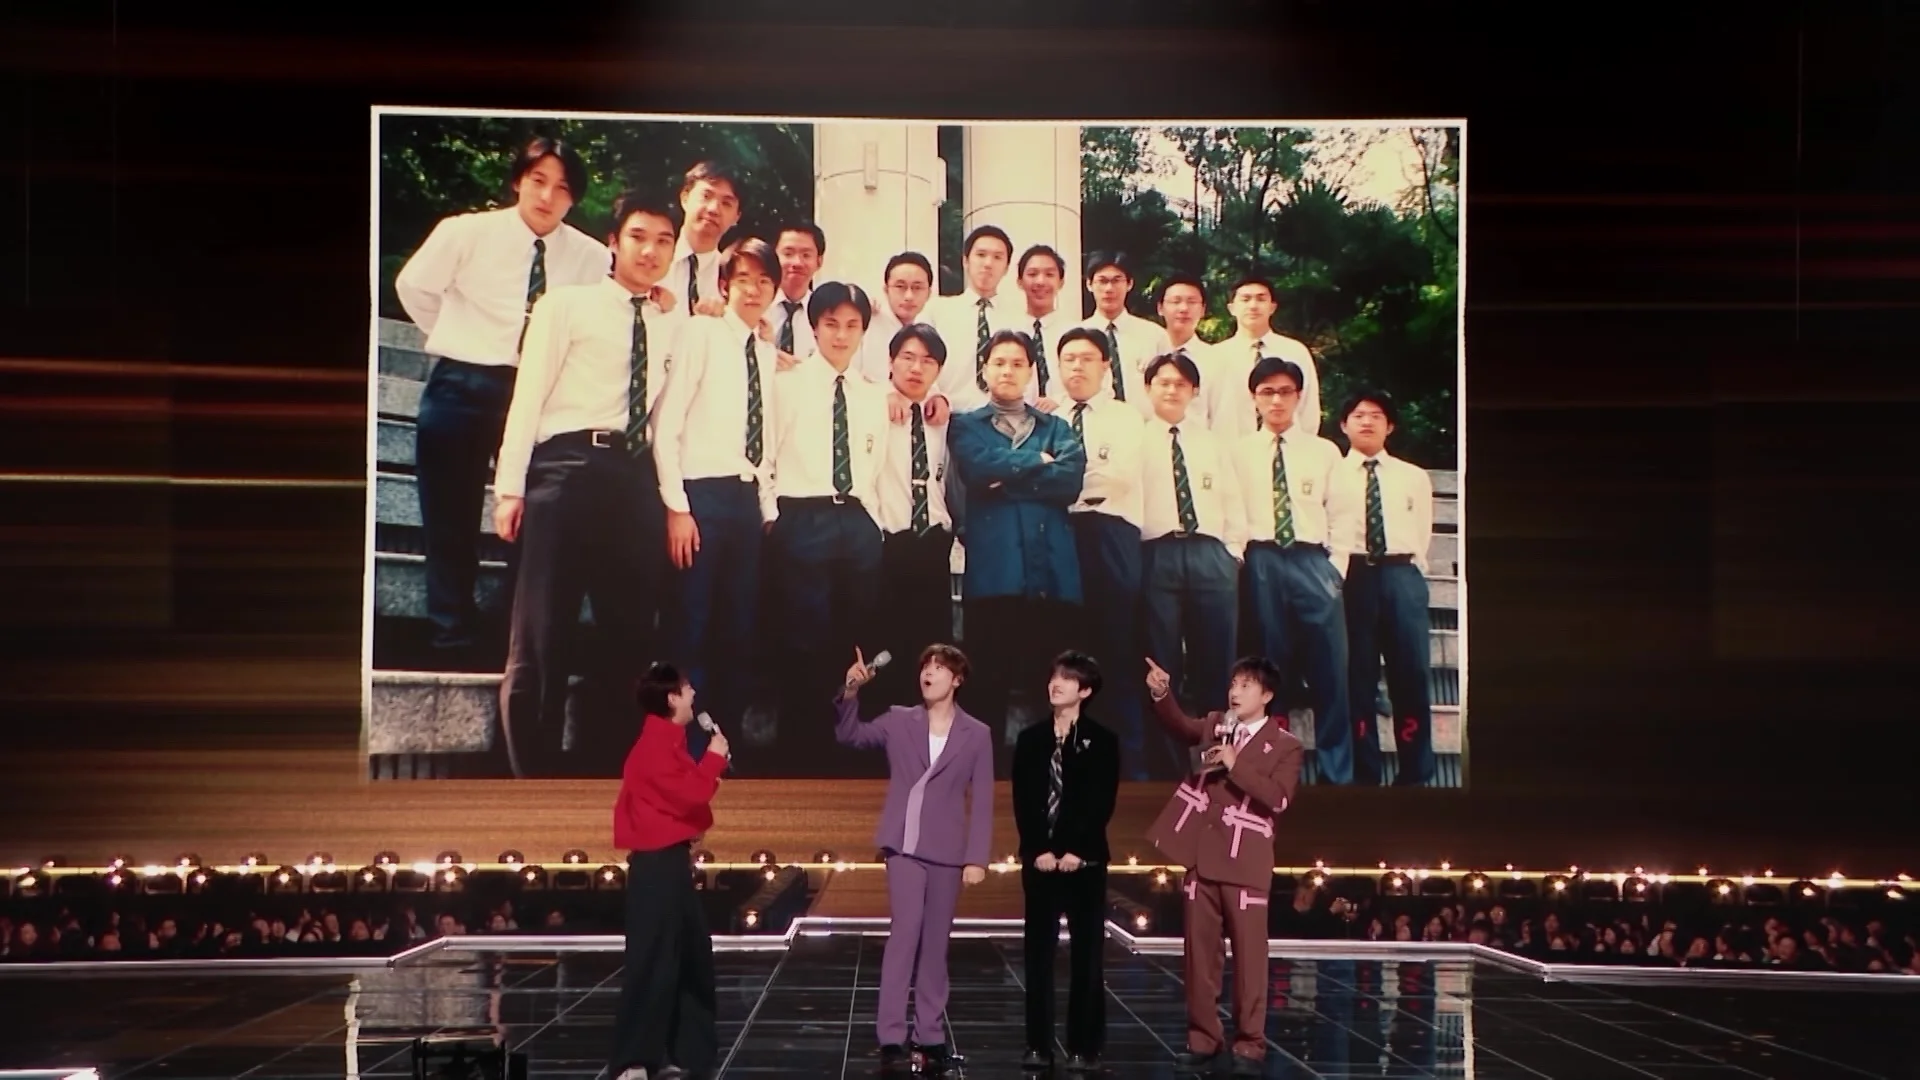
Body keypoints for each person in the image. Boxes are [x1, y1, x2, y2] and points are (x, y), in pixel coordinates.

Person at [393, 135, 607, 664]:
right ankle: (451, 636)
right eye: (538, 181)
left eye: (562, 188)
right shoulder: (466, 232)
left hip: (538, 394)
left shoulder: (591, 257)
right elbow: (413, 287)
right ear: (517, 181)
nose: (547, 196)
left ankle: (509, 636)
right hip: (462, 385)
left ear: (574, 198)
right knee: (451, 517)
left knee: (536, 519)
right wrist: (459, 337)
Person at [492, 191, 685, 778]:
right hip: (566, 470)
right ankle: (533, 781)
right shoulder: (565, 305)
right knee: (542, 636)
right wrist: (509, 487)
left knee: (629, 638)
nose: (650, 251)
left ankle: (609, 774)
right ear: (613, 241)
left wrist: (670, 502)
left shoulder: (670, 322)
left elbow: (666, 417)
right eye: (638, 237)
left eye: (664, 241)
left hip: (634, 481)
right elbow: (528, 395)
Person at [836, 644, 994, 1074]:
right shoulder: (898, 720)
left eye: (939, 668)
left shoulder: (977, 733)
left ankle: (930, 1035)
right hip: (903, 846)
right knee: (905, 933)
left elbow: (982, 800)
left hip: (948, 851)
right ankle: (891, 1036)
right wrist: (850, 692)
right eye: (925, 666)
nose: (929, 673)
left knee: (936, 944)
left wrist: (977, 857)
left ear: (957, 680)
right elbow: (851, 736)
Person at [1143, 654, 1302, 1077]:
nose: (1235, 692)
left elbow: (1278, 798)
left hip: (1245, 863)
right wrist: (1162, 693)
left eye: (1246, 685)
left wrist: (1235, 763)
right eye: (1234, 683)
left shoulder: (1286, 745)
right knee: (1199, 958)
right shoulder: (1217, 723)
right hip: (1202, 859)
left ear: (1266, 695)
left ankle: (1249, 1044)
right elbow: (1181, 726)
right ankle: (1203, 1040)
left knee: (1250, 961)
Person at [652, 237, 782, 753]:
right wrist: (677, 507)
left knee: (738, 626)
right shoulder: (700, 333)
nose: (754, 290)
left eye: (764, 281)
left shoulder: (766, 351)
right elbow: (667, 424)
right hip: (700, 496)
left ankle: (721, 746)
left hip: (746, 503)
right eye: (743, 279)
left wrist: (767, 507)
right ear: (724, 284)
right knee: (692, 622)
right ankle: (676, 746)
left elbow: (764, 433)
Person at [763, 281, 889, 771]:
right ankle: (800, 752)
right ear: (814, 327)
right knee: (802, 636)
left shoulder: (873, 394)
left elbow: (875, 463)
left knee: (852, 636)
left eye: (852, 325)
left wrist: (871, 522)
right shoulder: (786, 383)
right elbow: (766, 451)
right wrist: (771, 514)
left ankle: (847, 748)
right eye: (831, 324)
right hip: (802, 515)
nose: (841, 335)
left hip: (856, 520)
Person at [946, 329, 1088, 754]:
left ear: (1031, 372)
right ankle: (982, 770)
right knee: (988, 679)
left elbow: (1069, 482)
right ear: (985, 370)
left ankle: (1050, 770)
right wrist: (1038, 461)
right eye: (999, 363)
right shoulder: (966, 426)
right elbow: (976, 469)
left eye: (1017, 363)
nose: (1007, 371)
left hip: (1052, 572)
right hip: (995, 573)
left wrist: (1005, 478)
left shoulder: (1056, 426)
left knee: (1052, 683)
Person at [1231, 357, 1362, 785]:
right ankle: (1270, 771)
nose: (1276, 400)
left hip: (1312, 561)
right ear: (1254, 398)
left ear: (1299, 397)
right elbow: (1230, 509)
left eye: (1285, 391)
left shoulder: (1323, 451)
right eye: (1267, 392)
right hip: (1261, 559)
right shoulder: (1238, 451)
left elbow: (1342, 510)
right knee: (1268, 666)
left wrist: (1336, 567)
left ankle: (1337, 775)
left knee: (1331, 668)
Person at [608, 662, 732, 1080]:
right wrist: (713, 758)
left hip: (673, 862)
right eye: (687, 687)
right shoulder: (653, 748)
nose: (694, 693)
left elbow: (685, 799)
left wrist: (711, 767)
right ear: (671, 698)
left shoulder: (670, 744)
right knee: (653, 960)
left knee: (691, 957)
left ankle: (688, 1052)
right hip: (656, 866)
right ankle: (633, 1060)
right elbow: (691, 792)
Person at [1012, 651, 1119, 1073]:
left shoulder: (1102, 740)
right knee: (1038, 957)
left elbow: (1100, 802)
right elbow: (1024, 801)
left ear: (1085, 690)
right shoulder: (1030, 739)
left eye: (1067, 679)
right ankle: (1037, 1045)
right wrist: (1038, 849)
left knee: (1087, 959)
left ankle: (1084, 1047)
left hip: (1084, 865)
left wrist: (1078, 850)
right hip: (1040, 863)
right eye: (1054, 677)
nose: (1056, 684)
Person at [1137, 352, 1246, 766]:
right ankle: (1167, 763)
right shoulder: (1137, 439)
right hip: (1157, 552)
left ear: (1194, 391)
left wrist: (1232, 552)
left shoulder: (1211, 442)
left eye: (1181, 384)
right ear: (1148, 388)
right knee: (1161, 662)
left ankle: (1215, 759)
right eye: (1163, 383)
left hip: (1210, 555)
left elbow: (1232, 498)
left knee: (1216, 660)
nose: (1171, 390)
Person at [1055, 327, 1151, 779]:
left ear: (1106, 366)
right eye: (1069, 358)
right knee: (1065, 648)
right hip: (1061, 534)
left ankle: (1128, 766)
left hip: (1110, 534)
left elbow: (1116, 478)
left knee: (1116, 646)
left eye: (1087, 358)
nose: (1077, 366)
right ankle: (1068, 762)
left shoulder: (1126, 417)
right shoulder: (1049, 416)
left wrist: (1056, 479)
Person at [1339, 389, 1438, 786]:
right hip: (1353, 576)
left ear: (1390, 425)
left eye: (1376, 415)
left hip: (1401, 575)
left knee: (1411, 673)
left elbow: (1422, 531)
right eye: (1358, 415)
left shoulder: (1413, 476)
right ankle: (1366, 774)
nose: (1367, 421)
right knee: (1357, 676)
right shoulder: (1332, 473)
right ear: (1344, 424)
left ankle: (1415, 772)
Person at [872, 324, 957, 708]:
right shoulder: (873, 407)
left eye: (928, 361)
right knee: (887, 644)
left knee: (933, 648)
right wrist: (885, 396)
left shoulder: (944, 417)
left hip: (933, 541)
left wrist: (941, 398)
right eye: (907, 357)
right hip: (889, 542)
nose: (916, 368)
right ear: (890, 361)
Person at [928, 225, 1023, 413]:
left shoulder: (1018, 320)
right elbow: (923, 358)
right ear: (965, 261)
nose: (988, 263)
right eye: (981, 255)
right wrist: (934, 395)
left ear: (1006, 267)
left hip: (1002, 417)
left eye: (997, 257)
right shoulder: (937, 311)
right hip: (949, 414)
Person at [1212, 277, 1319, 437]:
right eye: (1245, 299)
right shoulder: (1215, 356)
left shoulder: (1295, 351)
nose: (1253, 306)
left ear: (1272, 307)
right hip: (1229, 446)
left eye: (1261, 299)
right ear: (1231, 308)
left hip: (1287, 445)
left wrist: (1302, 443)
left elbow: (1308, 407)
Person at [1079, 251, 1170, 413]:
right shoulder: (1078, 337)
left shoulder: (1155, 335)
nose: (1109, 288)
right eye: (1102, 281)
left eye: (1116, 280)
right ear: (1089, 285)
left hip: (1144, 424)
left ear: (1129, 284)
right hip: (1094, 423)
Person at [666, 160, 742, 318]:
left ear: (737, 217)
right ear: (685, 198)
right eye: (706, 196)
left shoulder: (732, 280)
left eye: (726, 203)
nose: (713, 209)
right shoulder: (651, 259)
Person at [1015, 244, 1078, 410]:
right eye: (1032, 274)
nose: (1041, 281)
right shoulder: (1009, 332)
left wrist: (1062, 401)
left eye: (1049, 274)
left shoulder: (1076, 333)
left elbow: (1099, 386)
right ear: (1019, 282)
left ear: (1061, 282)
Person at [767, 222, 825, 365]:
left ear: (819, 261)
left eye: (806, 255)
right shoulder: (756, 306)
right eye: (788, 254)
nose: (797, 262)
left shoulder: (824, 313)